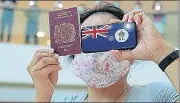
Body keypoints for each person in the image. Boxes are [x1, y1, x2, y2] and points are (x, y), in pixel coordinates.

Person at [27, 2, 179, 102]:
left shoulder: (159, 96)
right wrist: (43, 95)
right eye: (86, 40)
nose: (95, 54)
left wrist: (160, 50)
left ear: (131, 53)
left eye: (107, 38)